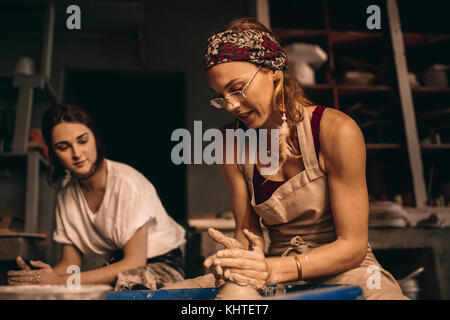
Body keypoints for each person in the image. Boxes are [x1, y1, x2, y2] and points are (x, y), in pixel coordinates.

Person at [166, 17, 408, 300]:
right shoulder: (230, 143)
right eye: (221, 96)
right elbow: (248, 234)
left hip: (346, 268)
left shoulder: (335, 130)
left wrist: (273, 269)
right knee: (178, 295)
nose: (230, 105)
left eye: (238, 88)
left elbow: (353, 246)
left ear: (274, 71)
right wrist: (239, 260)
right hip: (272, 269)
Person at [7, 104, 186, 291]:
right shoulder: (66, 196)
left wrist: (59, 281)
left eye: (82, 141)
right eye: (63, 147)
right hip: (118, 266)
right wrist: (41, 278)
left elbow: (135, 262)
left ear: (95, 138)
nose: (77, 154)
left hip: (161, 263)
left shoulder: (127, 183)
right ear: (53, 154)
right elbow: (71, 264)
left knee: (125, 289)